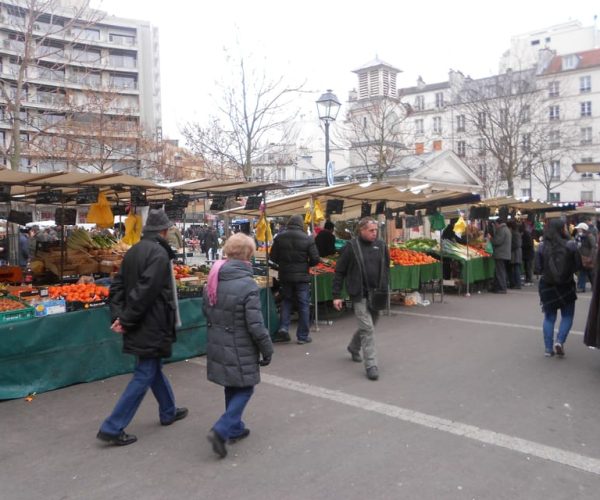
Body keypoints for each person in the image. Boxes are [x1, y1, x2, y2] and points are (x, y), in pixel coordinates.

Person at [97, 209, 188, 446]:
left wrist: (118, 316)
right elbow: (145, 292)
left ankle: (168, 410)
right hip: (152, 322)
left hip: (140, 322)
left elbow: (117, 287)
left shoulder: (133, 251)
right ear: (164, 231)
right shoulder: (158, 254)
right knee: (145, 372)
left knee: (152, 366)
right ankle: (112, 426)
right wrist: (124, 319)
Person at [203, 233, 273, 459]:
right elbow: (255, 324)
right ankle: (222, 429)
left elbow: (206, 311)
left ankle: (234, 427)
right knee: (246, 386)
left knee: (231, 384)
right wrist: (266, 347)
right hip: (239, 343)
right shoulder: (247, 285)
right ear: (249, 255)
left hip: (218, 340)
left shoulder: (213, 278)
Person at [332, 217, 390, 381]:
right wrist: (336, 295)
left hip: (377, 294)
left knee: (370, 325)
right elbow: (339, 272)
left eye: (376, 230)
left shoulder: (381, 245)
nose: (374, 233)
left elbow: (385, 267)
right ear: (362, 230)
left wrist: (385, 286)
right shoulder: (351, 247)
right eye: (371, 230)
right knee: (368, 329)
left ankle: (353, 346)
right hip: (359, 295)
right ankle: (371, 364)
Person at [269, 214, 320, 344]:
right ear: (301, 224)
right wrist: (306, 264)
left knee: (287, 301)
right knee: (303, 304)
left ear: (289, 223)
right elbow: (315, 259)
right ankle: (302, 336)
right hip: (302, 277)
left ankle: (284, 328)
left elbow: (273, 257)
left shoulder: (279, 238)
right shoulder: (308, 239)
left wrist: (284, 263)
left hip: (285, 275)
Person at [535, 218, 581, 357]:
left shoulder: (542, 246)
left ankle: (548, 349)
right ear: (562, 229)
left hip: (547, 285)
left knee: (549, 317)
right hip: (566, 284)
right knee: (567, 316)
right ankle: (560, 341)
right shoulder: (571, 245)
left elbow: (537, 268)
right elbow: (578, 265)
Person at [489, 218, 511, 294]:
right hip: (504, 254)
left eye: (495, 224)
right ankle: (496, 287)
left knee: (500, 271)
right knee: (498, 271)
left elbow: (497, 241)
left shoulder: (501, 230)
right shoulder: (506, 229)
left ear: (498, 224)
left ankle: (502, 288)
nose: (495, 226)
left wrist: (491, 239)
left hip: (501, 254)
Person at [574, 222, 596, 292]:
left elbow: (593, 247)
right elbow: (577, 245)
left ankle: (586, 287)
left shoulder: (590, 236)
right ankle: (582, 287)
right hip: (582, 257)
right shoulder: (578, 236)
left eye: (579, 229)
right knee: (584, 272)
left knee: (591, 273)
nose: (577, 230)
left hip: (588, 257)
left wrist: (590, 257)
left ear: (583, 229)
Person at [507, 220, 522, 289]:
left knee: (515, 269)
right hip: (516, 253)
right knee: (515, 269)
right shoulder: (516, 233)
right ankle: (515, 283)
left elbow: (517, 244)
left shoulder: (515, 233)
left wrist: (509, 247)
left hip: (515, 254)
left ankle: (517, 284)